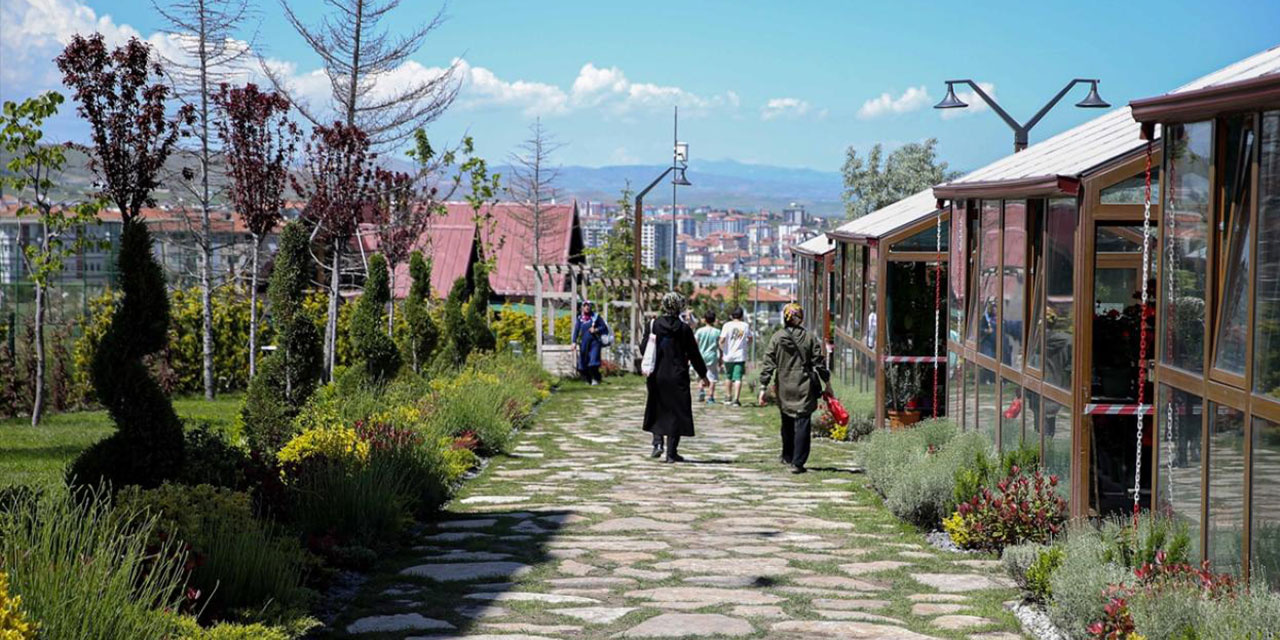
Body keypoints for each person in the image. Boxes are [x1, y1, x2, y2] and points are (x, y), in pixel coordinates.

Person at [758, 303, 831, 474]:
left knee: (787, 422)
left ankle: (787, 455)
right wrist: (827, 383)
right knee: (802, 422)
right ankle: (798, 462)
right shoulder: (809, 338)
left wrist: (763, 387)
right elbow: (819, 364)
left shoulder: (776, 337)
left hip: (784, 385)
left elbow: (769, 363)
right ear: (801, 317)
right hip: (804, 385)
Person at [641, 292, 709, 463]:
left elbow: (644, 349)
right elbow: (694, 354)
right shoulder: (684, 329)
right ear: (680, 307)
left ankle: (657, 443)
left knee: (657, 407)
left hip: (657, 375)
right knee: (676, 412)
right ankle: (671, 453)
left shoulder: (654, 325)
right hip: (678, 375)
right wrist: (703, 375)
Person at [718, 307, 752, 406]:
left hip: (728, 355)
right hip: (740, 355)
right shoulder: (745, 326)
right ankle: (736, 399)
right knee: (738, 378)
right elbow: (750, 338)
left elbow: (721, 340)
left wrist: (723, 349)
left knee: (728, 377)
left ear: (731, 315)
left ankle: (728, 397)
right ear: (742, 316)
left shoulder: (727, 325)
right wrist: (746, 346)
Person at [572, 301, 609, 385]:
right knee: (583, 362)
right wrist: (574, 342)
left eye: (588, 306)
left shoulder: (596, 317)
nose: (587, 307)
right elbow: (576, 330)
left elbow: (604, 327)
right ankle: (587, 379)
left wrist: (596, 330)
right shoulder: (580, 318)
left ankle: (595, 379)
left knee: (593, 361)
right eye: (585, 306)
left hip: (595, 343)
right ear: (582, 307)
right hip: (584, 343)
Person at [694, 311, 721, 404]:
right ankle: (711, 397)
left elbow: (695, 344)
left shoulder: (699, 331)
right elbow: (719, 345)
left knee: (700, 374)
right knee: (712, 377)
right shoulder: (717, 332)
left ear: (704, 320)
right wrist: (721, 358)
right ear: (714, 320)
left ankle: (701, 389)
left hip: (700, 355)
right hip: (712, 355)